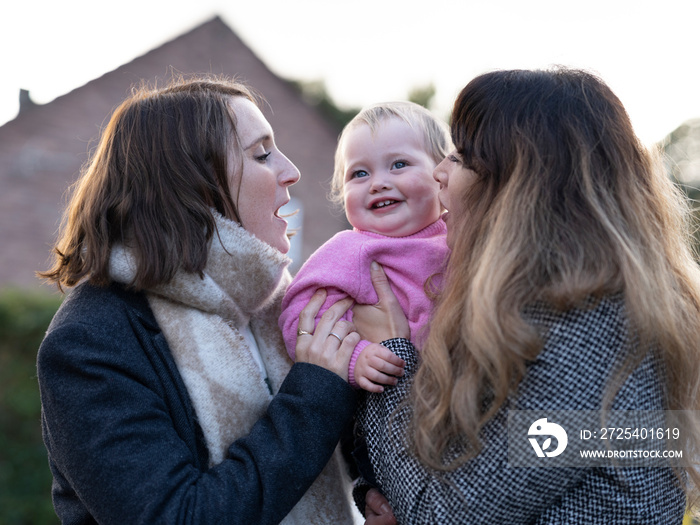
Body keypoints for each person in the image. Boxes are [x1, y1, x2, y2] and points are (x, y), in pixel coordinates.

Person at [351, 68, 700, 523]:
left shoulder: (589, 332)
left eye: (460, 156)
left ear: (518, 187)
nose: (438, 171)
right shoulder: (587, 313)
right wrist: (381, 491)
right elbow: (480, 471)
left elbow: (447, 515)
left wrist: (390, 360)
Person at [35, 76, 367, 524]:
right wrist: (317, 390)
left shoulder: (280, 306)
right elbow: (177, 516)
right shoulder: (89, 343)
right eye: (262, 154)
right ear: (195, 184)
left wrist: (370, 496)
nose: (291, 170)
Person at [279, 102, 450, 392]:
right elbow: (299, 317)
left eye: (398, 164)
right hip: (385, 406)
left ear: (441, 174)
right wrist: (356, 358)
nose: (378, 183)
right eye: (359, 174)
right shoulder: (350, 251)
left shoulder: (461, 236)